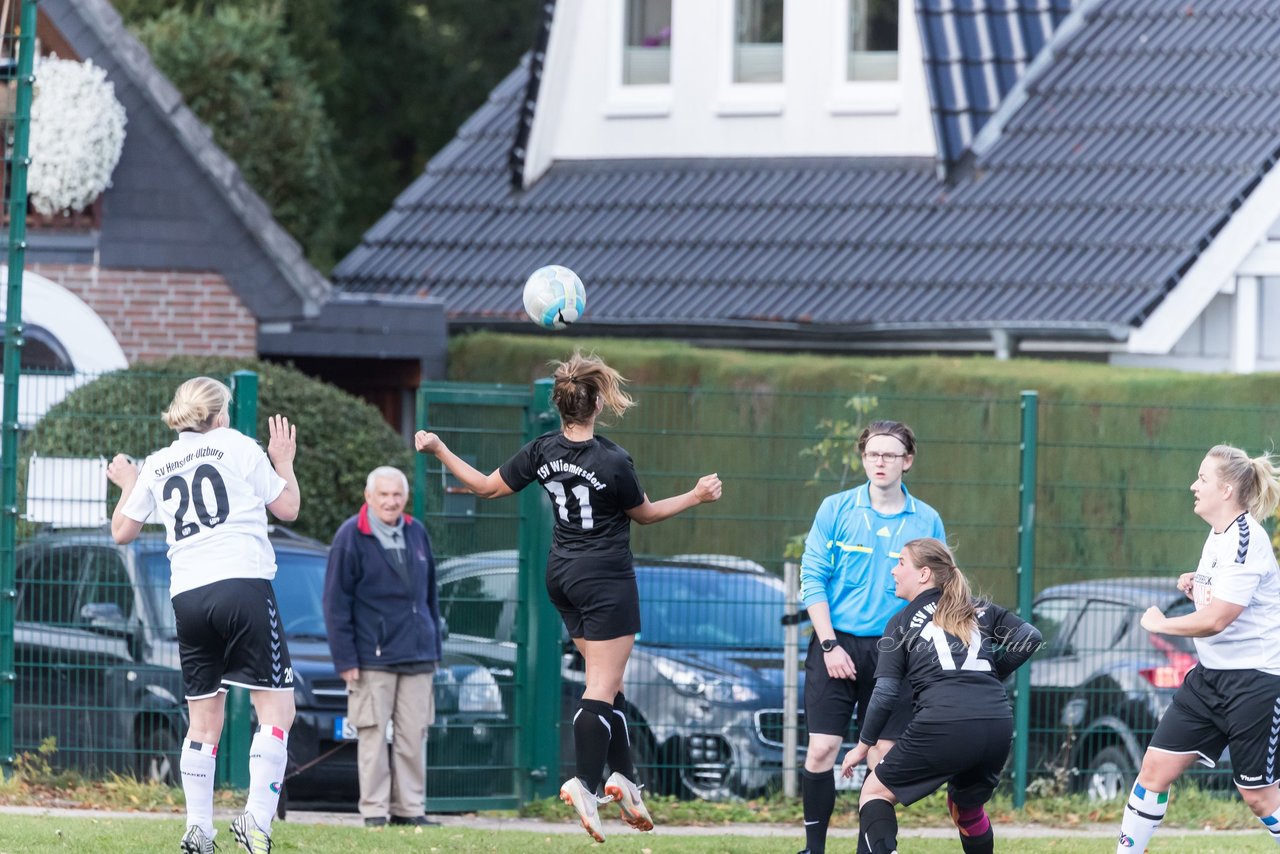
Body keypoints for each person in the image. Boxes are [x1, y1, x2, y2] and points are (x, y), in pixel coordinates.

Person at [413, 351, 721, 843]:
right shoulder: (613, 460)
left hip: (562, 574)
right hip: (605, 576)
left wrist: (440, 449)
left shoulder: (541, 450)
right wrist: (696, 495)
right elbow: (644, 514)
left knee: (611, 683)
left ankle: (624, 780)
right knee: (600, 687)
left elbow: (488, 488)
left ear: (560, 405)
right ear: (595, 403)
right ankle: (585, 783)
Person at [106, 377, 300, 854]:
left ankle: (198, 829)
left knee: (202, 721)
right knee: (276, 711)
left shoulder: (158, 462)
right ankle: (256, 821)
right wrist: (284, 463)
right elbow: (289, 508)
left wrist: (130, 482)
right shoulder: (236, 445)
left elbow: (121, 532)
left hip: (188, 596)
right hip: (242, 584)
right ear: (219, 415)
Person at [1114, 444, 1280, 853]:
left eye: (1202, 478)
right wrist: (1198, 583)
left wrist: (1161, 624)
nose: (1194, 485)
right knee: (1153, 770)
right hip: (1209, 679)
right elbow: (1219, 603)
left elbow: (1217, 619)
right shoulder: (1217, 535)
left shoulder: (1246, 540)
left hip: (1254, 681)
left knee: (1257, 795)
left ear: (1226, 490)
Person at [796, 420, 946, 854]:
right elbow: (812, 578)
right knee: (822, 749)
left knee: (883, 760)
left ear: (908, 461)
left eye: (890, 454)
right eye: (872, 454)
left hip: (896, 651)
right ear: (863, 458)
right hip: (835, 645)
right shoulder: (836, 509)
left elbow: (936, 589)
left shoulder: (926, 519)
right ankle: (814, 848)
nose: (880, 462)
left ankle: (873, 849)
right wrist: (828, 644)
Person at [839, 538, 1042, 854]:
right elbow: (1030, 637)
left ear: (923, 574)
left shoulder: (902, 621)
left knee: (874, 793)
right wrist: (991, 675)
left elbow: (885, 692)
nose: (894, 570)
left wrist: (863, 746)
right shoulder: (979, 609)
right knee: (967, 809)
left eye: (901, 562)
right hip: (997, 724)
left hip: (946, 724)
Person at [322, 466, 443, 829]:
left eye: (397, 495)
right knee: (373, 736)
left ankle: (410, 809)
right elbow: (334, 603)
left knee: (413, 736)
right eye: (384, 495)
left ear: (404, 498)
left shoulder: (417, 532)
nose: (391, 502)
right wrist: (345, 659)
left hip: (419, 655)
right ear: (369, 497)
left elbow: (431, 595)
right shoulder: (350, 537)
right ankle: (374, 811)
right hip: (371, 658)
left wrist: (434, 647)